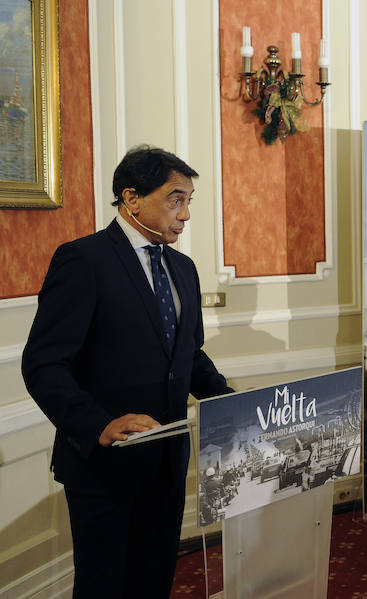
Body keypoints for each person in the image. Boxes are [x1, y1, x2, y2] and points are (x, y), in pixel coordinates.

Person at [21, 146, 233, 598]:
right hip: (105, 467)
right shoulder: (83, 260)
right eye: (176, 199)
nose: (186, 215)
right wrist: (97, 424)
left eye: (190, 201)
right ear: (132, 198)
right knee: (105, 588)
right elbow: (43, 364)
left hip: (168, 462)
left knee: (153, 582)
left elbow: (187, 356)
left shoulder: (183, 267)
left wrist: (231, 400)